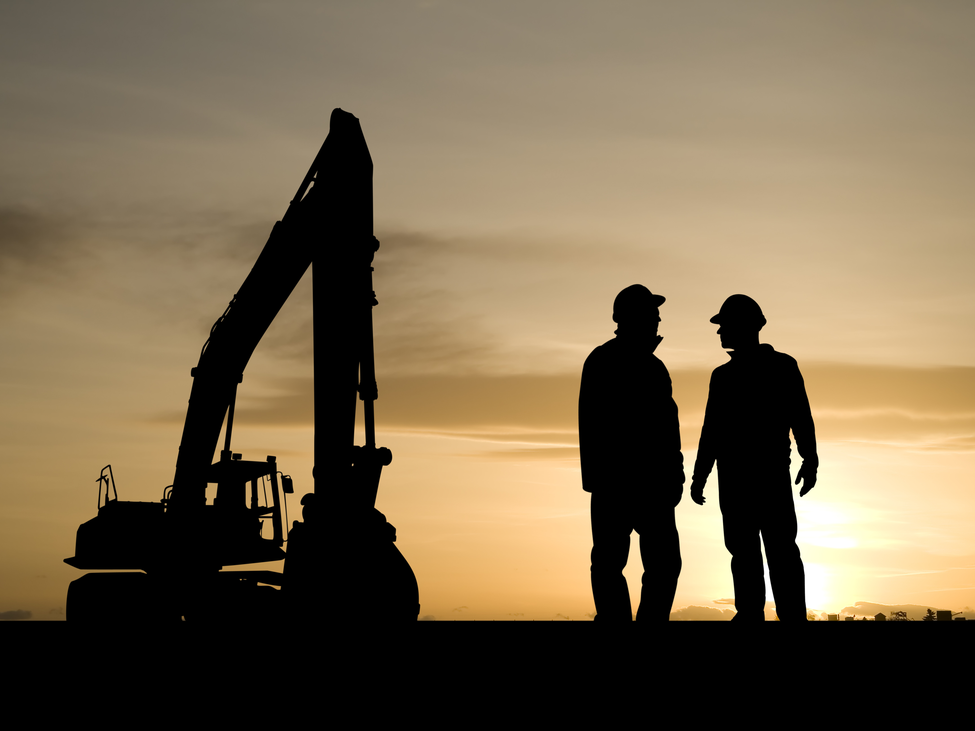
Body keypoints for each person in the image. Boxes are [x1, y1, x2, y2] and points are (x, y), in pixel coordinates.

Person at [690, 294, 817, 621]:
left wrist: (810, 458)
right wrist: (700, 474)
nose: (719, 333)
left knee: (777, 550)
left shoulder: (779, 367)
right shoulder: (725, 376)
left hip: (761, 478)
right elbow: (712, 432)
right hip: (740, 479)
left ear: (744, 327)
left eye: (724, 326)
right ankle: (753, 614)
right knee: (748, 551)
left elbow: (800, 417)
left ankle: (786, 616)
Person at [579, 285, 684, 621]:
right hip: (623, 483)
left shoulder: (653, 366)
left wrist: (675, 475)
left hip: (647, 484)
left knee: (660, 562)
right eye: (651, 314)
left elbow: (668, 428)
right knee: (613, 561)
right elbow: (592, 423)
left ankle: (637, 624)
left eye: (656, 315)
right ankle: (619, 624)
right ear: (630, 318)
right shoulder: (607, 360)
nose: (657, 320)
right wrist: (598, 479)